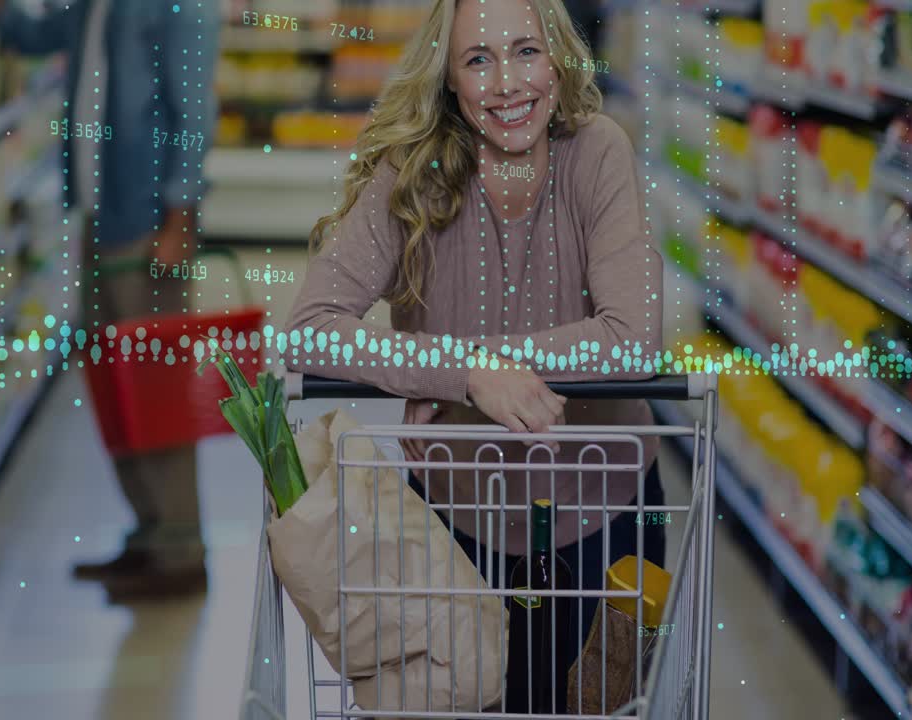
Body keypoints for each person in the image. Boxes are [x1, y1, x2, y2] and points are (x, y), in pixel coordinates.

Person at [283, 0, 665, 710]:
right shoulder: (413, 172)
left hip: (603, 512)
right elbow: (310, 326)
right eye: (478, 60)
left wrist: (473, 364)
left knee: (595, 708)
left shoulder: (598, 150)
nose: (508, 84)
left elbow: (634, 334)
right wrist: (462, 374)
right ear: (448, 80)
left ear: (557, 57)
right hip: (457, 524)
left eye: (525, 52)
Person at [0, 0, 220, 599]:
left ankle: (180, 551)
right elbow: (44, 35)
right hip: (100, 215)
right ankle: (148, 534)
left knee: (155, 389)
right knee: (115, 388)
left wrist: (180, 214)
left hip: (148, 224)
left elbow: (194, 109)